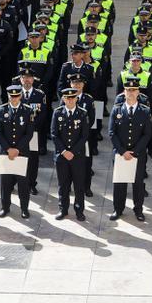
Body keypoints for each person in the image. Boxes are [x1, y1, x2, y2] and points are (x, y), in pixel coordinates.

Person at [109, 79, 152, 222]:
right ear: (124, 92)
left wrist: (134, 151)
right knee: (119, 184)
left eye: (134, 90)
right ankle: (118, 209)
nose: (131, 93)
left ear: (138, 92)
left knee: (138, 184)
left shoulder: (144, 111)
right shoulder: (117, 109)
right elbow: (111, 133)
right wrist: (123, 152)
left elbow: (147, 134)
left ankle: (138, 210)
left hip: (137, 154)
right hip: (121, 154)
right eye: (128, 90)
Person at [0, 85, 35, 219]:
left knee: (23, 183)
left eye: (16, 96)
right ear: (8, 96)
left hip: (21, 152)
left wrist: (17, 149)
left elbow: (29, 134)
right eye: (11, 96)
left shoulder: (28, 110)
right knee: (5, 183)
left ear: (20, 96)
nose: (14, 99)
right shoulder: (2, 109)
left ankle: (24, 208)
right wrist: (8, 149)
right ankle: (5, 207)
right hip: (6, 153)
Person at [51, 88, 92, 222]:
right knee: (63, 185)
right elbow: (54, 134)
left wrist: (72, 152)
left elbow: (84, 135)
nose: (70, 100)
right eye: (67, 98)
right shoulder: (57, 113)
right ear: (63, 99)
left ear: (76, 99)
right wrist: (64, 151)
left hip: (77, 156)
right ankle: (63, 209)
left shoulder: (82, 113)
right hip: (62, 156)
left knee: (79, 185)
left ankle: (79, 211)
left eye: (72, 98)